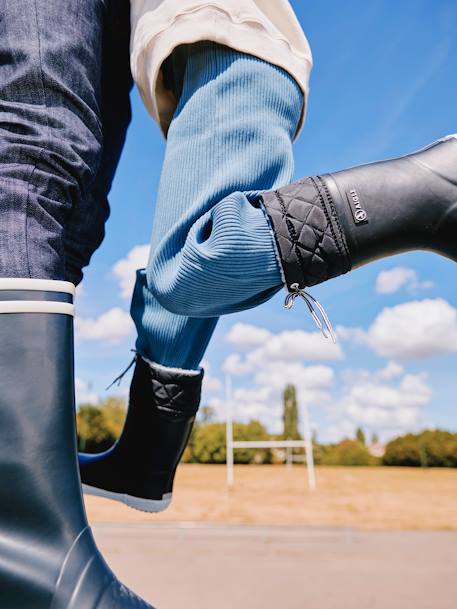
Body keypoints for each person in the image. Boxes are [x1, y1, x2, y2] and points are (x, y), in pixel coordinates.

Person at [79, 0, 457, 519]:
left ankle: (428, 193)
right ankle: (145, 459)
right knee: (176, 289)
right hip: (207, 61)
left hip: (226, 46)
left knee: (197, 263)